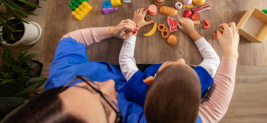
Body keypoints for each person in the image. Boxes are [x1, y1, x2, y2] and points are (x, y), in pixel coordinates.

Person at [4, 10, 239, 123]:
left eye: (84, 86)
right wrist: (231, 53)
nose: (110, 85)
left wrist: (112, 31)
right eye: (108, 110)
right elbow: (211, 114)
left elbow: (70, 40)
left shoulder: (62, 76)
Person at [120, 9, 221, 123]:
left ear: (150, 81)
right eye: (186, 66)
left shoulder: (138, 88)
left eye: (169, 64)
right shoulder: (196, 82)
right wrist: (192, 31)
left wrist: (135, 27)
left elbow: (125, 60)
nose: (181, 59)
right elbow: (213, 59)